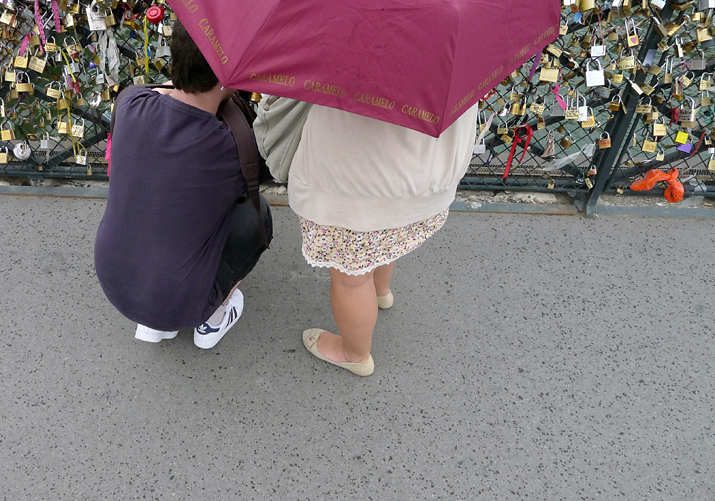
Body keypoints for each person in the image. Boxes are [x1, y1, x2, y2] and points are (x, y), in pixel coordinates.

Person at [94, 20, 272, 349]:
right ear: (230, 75)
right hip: (181, 301)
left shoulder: (131, 101)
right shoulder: (233, 147)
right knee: (256, 216)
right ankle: (213, 318)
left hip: (113, 280)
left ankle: (154, 324)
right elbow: (272, 166)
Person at [287, 103, 478, 376]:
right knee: (387, 237)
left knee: (351, 279)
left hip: (355, 180)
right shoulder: (458, 61)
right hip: (432, 168)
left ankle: (354, 353)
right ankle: (380, 291)